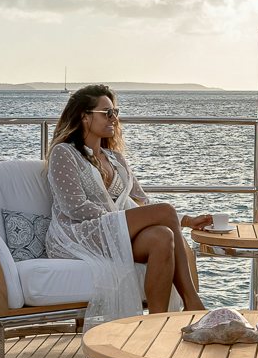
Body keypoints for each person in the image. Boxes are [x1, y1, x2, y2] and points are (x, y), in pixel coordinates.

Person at [44, 84, 208, 322]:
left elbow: (142, 202)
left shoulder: (115, 159)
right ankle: (193, 301)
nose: (114, 118)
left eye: (115, 112)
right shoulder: (64, 153)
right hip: (79, 233)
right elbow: (74, 207)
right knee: (165, 210)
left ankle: (156, 324)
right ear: (85, 117)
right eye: (107, 113)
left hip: (116, 229)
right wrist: (117, 219)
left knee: (162, 237)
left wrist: (186, 220)